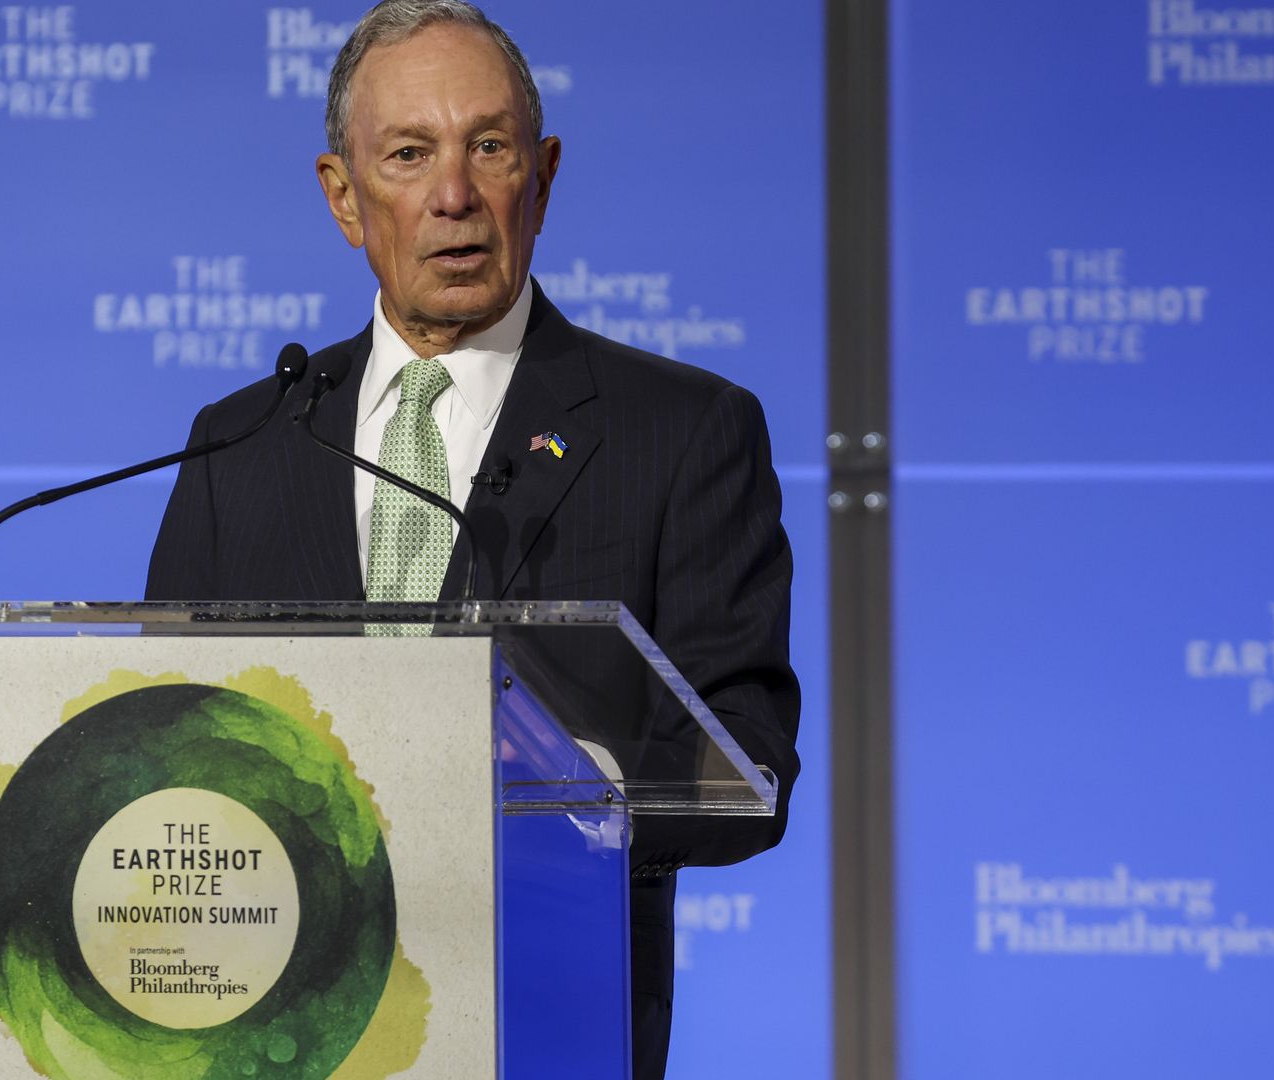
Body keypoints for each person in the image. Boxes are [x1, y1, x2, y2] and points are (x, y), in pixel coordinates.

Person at [146, 2, 799, 1076]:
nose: (454, 195)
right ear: (344, 197)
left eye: (487, 147)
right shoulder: (244, 445)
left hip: (543, 1025)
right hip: (277, 1033)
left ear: (541, 176)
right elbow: (168, 750)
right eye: (409, 154)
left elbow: (750, 768)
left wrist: (568, 783)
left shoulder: (681, 432)